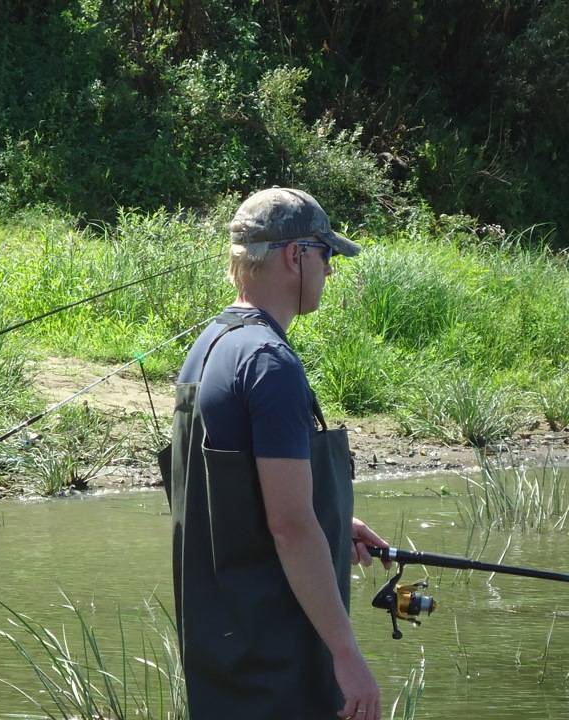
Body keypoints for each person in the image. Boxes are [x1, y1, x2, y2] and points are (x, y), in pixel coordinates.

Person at [161, 188, 390, 720]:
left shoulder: (209, 345)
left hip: (222, 659)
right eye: (327, 255)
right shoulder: (270, 362)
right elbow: (288, 525)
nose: (330, 271)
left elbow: (235, 494)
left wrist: (332, 520)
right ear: (296, 256)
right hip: (277, 664)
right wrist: (347, 655)